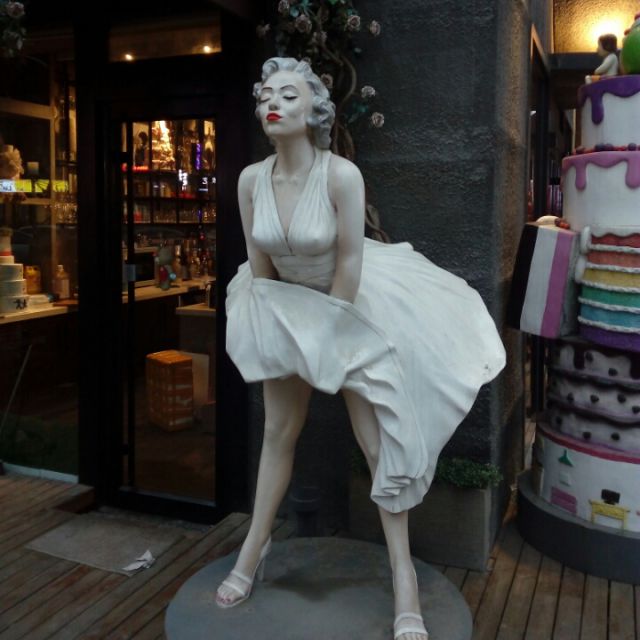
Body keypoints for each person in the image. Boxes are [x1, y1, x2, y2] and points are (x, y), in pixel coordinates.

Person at [216, 57, 506, 640]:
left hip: (349, 308)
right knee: (278, 431)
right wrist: (277, 333)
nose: (273, 103)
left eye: (288, 95)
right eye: (266, 95)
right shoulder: (250, 180)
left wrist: (329, 338)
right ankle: (254, 549)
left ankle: (404, 577)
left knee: (376, 441)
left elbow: (349, 262)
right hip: (285, 305)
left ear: (314, 109)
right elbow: (259, 264)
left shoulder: (341, 176)